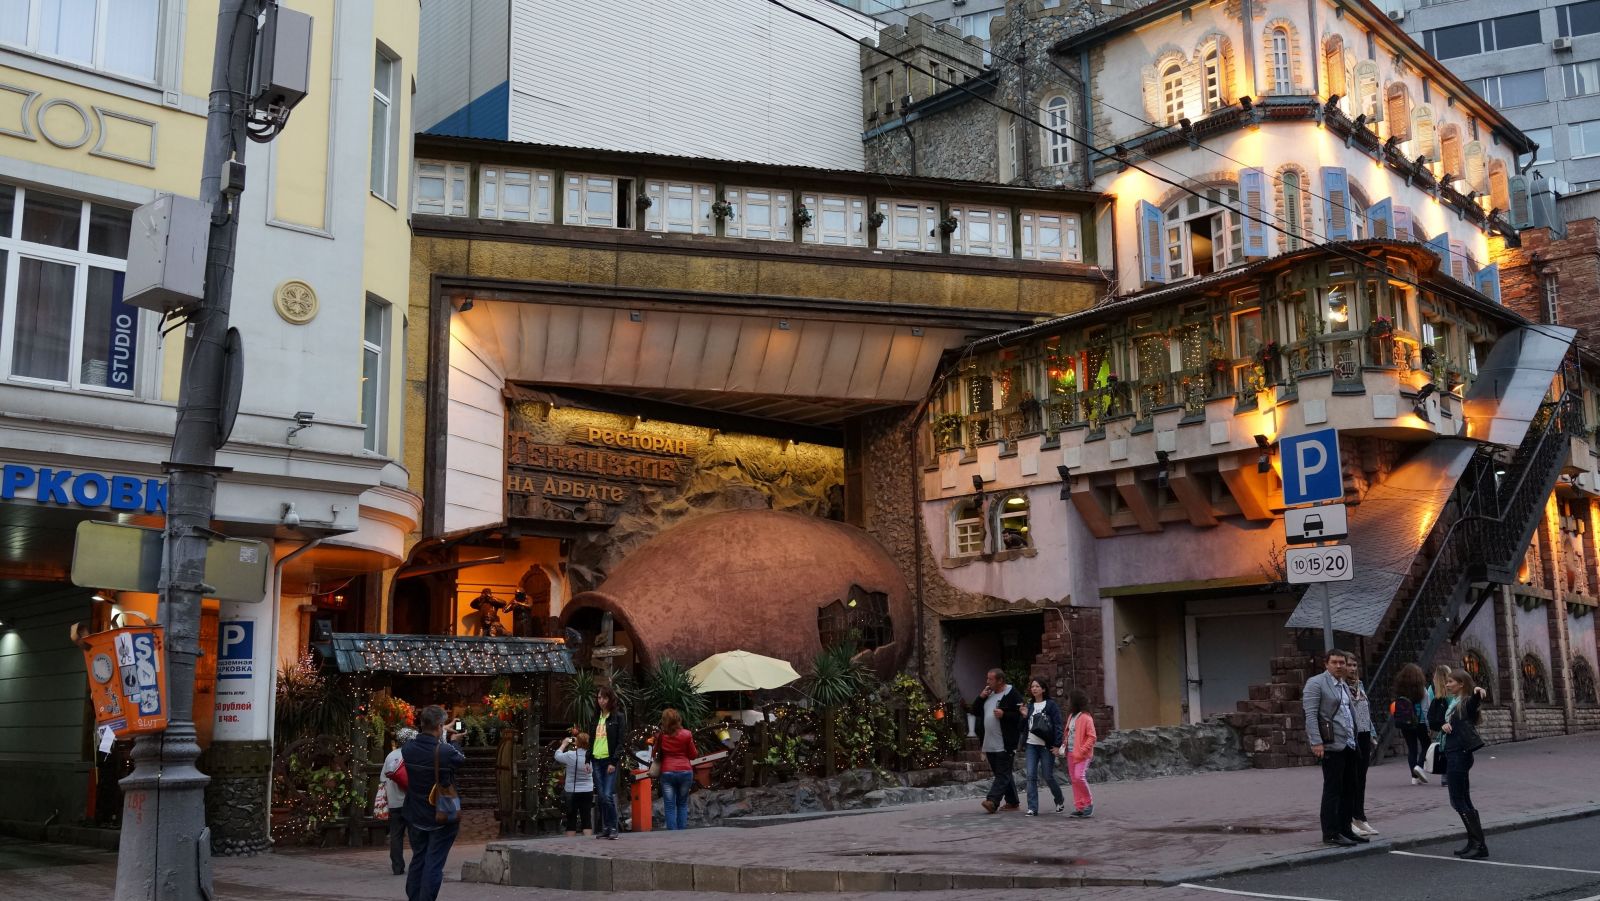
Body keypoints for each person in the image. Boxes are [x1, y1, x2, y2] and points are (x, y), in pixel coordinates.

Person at [1303, 648, 1367, 847]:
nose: (1339, 666)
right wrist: (1316, 742)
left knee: (1350, 788)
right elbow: (1311, 714)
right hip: (1331, 744)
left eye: (1342, 662)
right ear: (1326, 664)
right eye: (1335, 662)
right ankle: (1331, 833)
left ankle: (1345, 829)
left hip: (1349, 743)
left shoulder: (1343, 684)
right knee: (1333, 789)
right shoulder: (1316, 683)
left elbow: (1348, 712)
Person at [402, 705, 466, 901]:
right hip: (441, 814)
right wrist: (454, 740)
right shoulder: (446, 751)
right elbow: (460, 759)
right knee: (434, 862)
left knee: (418, 859)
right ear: (439, 726)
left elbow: (421, 740)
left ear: (421, 724)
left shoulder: (408, 748)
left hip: (415, 813)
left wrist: (442, 730)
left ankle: (414, 897)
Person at [1440, 667, 1490, 859]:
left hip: (1459, 755)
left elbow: (1474, 702)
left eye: (1451, 682)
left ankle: (1479, 845)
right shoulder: (1455, 704)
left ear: (1461, 684)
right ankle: (1474, 842)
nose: (1447, 685)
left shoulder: (1465, 702)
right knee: (1463, 799)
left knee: (1458, 800)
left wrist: (1477, 692)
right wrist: (1444, 725)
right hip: (1456, 754)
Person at [970, 668, 1024, 814]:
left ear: (1000, 680)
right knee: (1003, 774)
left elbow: (1021, 716)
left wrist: (1004, 714)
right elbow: (974, 711)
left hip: (1005, 743)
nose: (987, 682)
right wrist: (981, 697)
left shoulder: (1012, 694)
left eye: (990, 679)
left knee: (1002, 774)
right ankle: (1012, 802)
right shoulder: (989, 694)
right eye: (987, 678)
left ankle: (992, 801)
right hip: (989, 742)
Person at [1020, 679, 1064, 816]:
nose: (1034, 688)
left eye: (1037, 686)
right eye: (1032, 686)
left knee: (1047, 776)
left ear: (1043, 689)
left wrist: (1057, 745)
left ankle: (1059, 800)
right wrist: (1024, 716)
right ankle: (1032, 808)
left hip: (1046, 746)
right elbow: (1022, 727)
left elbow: (1058, 725)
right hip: (1031, 745)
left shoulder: (1051, 705)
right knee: (1031, 776)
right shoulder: (1030, 706)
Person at [1345, 659, 1378, 837]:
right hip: (1351, 735)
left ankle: (1360, 816)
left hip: (1364, 734)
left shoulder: (1360, 685)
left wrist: (1372, 734)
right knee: (1351, 778)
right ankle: (1348, 818)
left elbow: (1366, 711)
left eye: (1354, 665)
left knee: (1361, 778)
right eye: (1349, 665)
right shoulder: (1341, 687)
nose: (1352, 668)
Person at [591, 685, 628, 839]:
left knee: (607, 795)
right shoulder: (595, 717)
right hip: (596, 760)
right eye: (599, 697)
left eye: (604, 698)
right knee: (601, 797)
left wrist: (614, 761)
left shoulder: (618, 717)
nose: (601, 701)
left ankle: (613, 828)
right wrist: (587, 759)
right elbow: (592, 739)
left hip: (609, 760)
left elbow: (621, 742)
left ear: (610, 699)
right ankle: (606, 827)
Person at [381, 726, 417, 875]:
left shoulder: (391, 756)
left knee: (396, 835)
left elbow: (383, 778)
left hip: (394, 801)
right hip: (411, 801)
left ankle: (397, 866)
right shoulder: (413, 755)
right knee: (415, 834)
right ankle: (418, 864)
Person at [656, 707, 699, 830]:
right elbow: (693, 755)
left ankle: (672, 833)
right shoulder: (687, 734)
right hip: (685, 772)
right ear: (678, 719)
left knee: (669, 806)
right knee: (682, 803)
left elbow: (655, 754)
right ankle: (682, 833)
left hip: (667, 772)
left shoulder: (661, 736)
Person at [1393, 662, 1433, 785]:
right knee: (1426, 745)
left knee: (1412, 748)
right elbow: (1425, 709)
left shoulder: (1400, 690)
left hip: (1406, 722)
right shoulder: (1422, 690)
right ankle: (1419, 767)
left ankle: (1414, 777)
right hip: (1420, 722)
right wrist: (1428, 726)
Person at [1062, 689, 1098, 818]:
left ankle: (1088, 803)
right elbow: (1068, 733)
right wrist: (1064, 745)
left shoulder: (1086, 718)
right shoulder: (1071, 717)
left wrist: (1083, 750)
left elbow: (1092, 737)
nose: (1067, 702)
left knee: (1079, 777)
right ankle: (1080, 807)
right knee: (1074, 780)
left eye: (1069, 700)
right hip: (1071, 753)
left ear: (1075, 701)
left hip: (1082, 754)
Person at [555, 731, 594, 837]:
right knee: (586, 819)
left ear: (577, 743)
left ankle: (570, 844)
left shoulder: (570, 755)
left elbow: (557, 755)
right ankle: (588, 842)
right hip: (587, 790)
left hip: (572, 791)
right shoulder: (593, 756)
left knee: (571, 820)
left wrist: (564, 744)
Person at [1428, 665, 1454, 788]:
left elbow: (1430, 709)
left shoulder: (1432, 691)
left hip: (1441, 726)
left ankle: (1445, 776)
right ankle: (1452, 775)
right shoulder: (1453, 692)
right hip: (1453, 724)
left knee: (1445, 749)